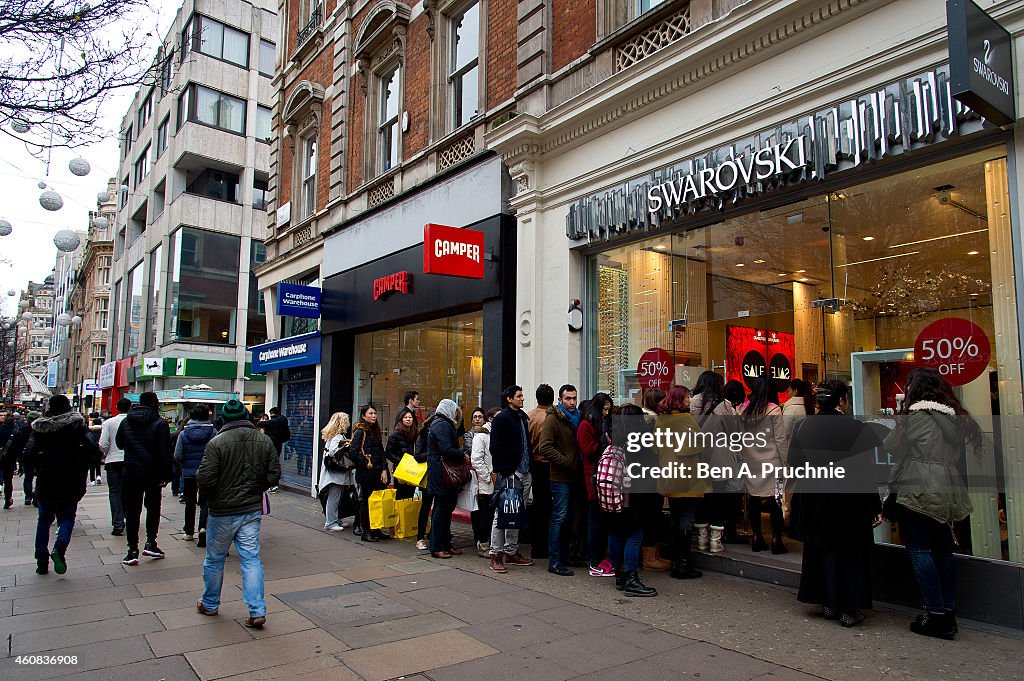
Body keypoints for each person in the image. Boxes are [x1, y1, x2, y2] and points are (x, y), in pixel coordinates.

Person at [884, 367, 982, 640]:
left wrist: (901, 414)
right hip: (948, 490)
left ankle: (935, 616)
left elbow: (891, 446)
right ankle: (947, 613)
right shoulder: (953, 419)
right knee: (944, 552)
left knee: (919, 550)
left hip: (919, 488)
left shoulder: (917, 417)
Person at [788, 380, 882, 628]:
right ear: (841, 400)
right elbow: (864, 470)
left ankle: (828, 602)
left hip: (814, 493)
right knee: (850, 551)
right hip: (848, 495)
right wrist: (875, 506)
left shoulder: (804, 426)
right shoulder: (855, 427)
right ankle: (849, 608)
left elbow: (795, 464)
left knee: (821, 548)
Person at [196, 399, 280, 628]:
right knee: (251, 559)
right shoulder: (264, 441)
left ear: (224, 419)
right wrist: (256, 488)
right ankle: (257, 610)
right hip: (250, 509)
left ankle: (210, 603)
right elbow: (274, 475)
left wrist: (212, 496)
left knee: (214, 559)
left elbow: (204, 479)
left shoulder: (216, 443)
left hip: (221, 510)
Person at [22, 395, 100, 575]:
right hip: (70, 478)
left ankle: (41, 560)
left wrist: (38, 465)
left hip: (46, 479)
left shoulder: (40, 427)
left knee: (43, 520)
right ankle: (59, 549)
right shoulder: (76, 425)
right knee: (67, 517)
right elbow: (92, 447)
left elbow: (29, 452)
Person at [656, 385, 708, 579]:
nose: (689, 400)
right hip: (686, 476)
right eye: (687, 397)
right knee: (686, 518)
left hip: (668, 474)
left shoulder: (662, 419)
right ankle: (683, 564)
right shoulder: (686, 420)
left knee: (675, 517)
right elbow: (700, 442)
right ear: (680, 399)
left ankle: (675, 561)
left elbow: (655, 447)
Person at [116, 391, 173, 565]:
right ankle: (151, 542)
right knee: (153, 507)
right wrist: (166, 475)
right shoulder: (160, 423)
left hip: (131, 471)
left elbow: (119, 443)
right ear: (155, 403)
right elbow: (165, 452)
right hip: (152, 473)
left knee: (132, 511)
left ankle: (132, 550)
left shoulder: (126, 421)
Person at [607, 404, 657, 596]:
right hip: (635, 493)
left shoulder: (614, 437)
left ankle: (619, 574)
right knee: (634, 535)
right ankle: (631, 578)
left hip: (613, 491)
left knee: (615, 532)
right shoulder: (641, 440)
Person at [690, 371, 740, 553]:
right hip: (719, 457)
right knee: (719, 499)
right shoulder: (725, 406)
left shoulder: (691, 403)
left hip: (697, 457)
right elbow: (734, 432)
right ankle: (715, 542)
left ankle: (702, 540)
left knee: (701, 498)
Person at [488, 387, 534, 571]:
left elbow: (525, 444)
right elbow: (495, 447)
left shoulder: (521, 417)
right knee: (502, 512)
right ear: (509, 399)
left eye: (522, 395)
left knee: (518, 512)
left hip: (524, 472)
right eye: (519, 396)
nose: (523, 398)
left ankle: (511, 551)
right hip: (510, 474)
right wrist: (506, 471)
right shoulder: (502, 418)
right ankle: (496, 554)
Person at [741, 375, 789, 554]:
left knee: (753, 499)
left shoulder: (744, 409)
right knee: (776, 500)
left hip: (751, 462)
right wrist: (786, 463)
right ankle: (776, 539)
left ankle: (756, 536)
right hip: (772, 463)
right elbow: (780, 439)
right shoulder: (774, 410)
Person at [539, 384, 581, 576]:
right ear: (560, 399)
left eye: (574, 398)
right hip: (560, 477)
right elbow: (545, 447)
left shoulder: (577, 417)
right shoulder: (553, 418)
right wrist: (567, 462)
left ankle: (565, 556)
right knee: (559, 517)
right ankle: (554, 561)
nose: (572, 402)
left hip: (575, 476)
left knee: (570, 517)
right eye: (568, 399)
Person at [578, 392, 615, 577]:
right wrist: (604, 444)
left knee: (602, 522)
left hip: (605, 475)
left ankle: (601, 558)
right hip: (593, 476)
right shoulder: (586, 425)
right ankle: (594, 561)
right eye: (604, 409)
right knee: (595, 522)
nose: (607, 413)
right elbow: (588, 449)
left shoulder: (603, 424)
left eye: (609, 409)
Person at [426, 399, 466, 558]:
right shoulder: (442, 425)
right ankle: (437, 546)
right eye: (455, 411)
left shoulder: (440, 423)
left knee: (444, 509)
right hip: (441, 474)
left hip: (440, 473)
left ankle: (445, 543)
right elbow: (446, 449)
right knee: (442, 510)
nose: (456, 414)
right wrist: (463, 455)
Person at [174, 406, 218, 544]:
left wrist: (185, 464)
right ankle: (203, 527)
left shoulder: (183, 434)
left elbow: (177, 455)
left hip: (188, 473)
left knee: (189, 502)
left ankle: (188, 532)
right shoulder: (214, 433)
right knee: (205, 502)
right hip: (208, 473)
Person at [350, 404, 390, 542]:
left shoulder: (375, 431)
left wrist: (384, 469)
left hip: (378, 473)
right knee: (366, 503)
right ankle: (366, 531)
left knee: (377, 503)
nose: (373, 416)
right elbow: (353, 452)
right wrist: (366, 463)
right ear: (363, 415)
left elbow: (381, 451)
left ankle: (375, 529)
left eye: (375, 413)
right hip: (367, 474)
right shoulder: (360, 431)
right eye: (370, 413)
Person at [527, 384, 554, 561]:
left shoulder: (529, 416)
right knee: (549, 508)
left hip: (533, 464)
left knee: (538, 505)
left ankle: (536, 545)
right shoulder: (551, 418)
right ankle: (544, 546)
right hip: (547, 465)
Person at [99, 398, 131, 536]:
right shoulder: (134, 422)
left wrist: (108, 453)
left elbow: (103, 443)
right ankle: (129, 519)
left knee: (115, 492)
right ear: (130, 408)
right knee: (130, 491)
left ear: (117, 408)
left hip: (113, 461)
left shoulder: (108, 423)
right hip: (130, 461)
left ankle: (118, 523)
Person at [319, 411, 354, 531]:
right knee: (334, 497)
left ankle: (335, 519)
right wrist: (345, 446)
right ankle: (331, 522)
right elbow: (334, 452)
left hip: (333, 471)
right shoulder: (338, 437)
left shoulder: (334, 436)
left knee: (336, 496)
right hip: (336, 473)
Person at [470, 408, 498, 557]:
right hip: (485, 482)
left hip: (495, 481)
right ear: (491, 419)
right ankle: (483, 544)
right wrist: (487, 477)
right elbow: (476, 460)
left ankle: (489, 543)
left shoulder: (497, 434)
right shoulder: (481, 436)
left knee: (491, 514)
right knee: (484, 515)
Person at [386, 407, 418, 500]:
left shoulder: (415, 433)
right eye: (405, 417)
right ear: (401, 420)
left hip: (413, 468)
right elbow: (388, 452)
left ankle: (408, 514)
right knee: (401, 495)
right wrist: (401, 461)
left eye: (410, 417)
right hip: (401, 468)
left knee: (411, 494)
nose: (408, 419)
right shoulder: (395, 434)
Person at [262, 406, 291, 490]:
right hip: (279, 443)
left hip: (271, 444)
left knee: (269, 463)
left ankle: (272, 484)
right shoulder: (283, 421)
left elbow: (261, 424)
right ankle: (274, 484)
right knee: (275, 463)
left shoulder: (272, 422)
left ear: (272, 413)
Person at [1, 412, 17, 508]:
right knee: (8, 480)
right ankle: (8, 499)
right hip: (10, 459)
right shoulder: (16, 432)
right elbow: (19, 448)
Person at [86, 414, 104, 485]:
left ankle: (92, 480)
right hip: (99, 449)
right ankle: (98, 476)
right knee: (98, 463)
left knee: (92, 465)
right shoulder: (102, 430)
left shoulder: (90, 429)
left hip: (92, 449)